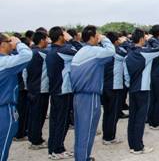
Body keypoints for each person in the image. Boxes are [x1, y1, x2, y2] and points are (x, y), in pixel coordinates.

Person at [70, 25, 115, 161]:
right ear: (92, 37)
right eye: (97, 36)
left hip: (78, 96)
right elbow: (111, 51)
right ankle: (83, 158)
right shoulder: (95, 51)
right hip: (90, 95)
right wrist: (105, 39)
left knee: (80, 130)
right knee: (88, 130)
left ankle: (82, 156)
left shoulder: (80, 52)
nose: (98, 38)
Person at [124, 29, 159, 154]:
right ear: (141, 39)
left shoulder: (128, 55)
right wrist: (152, 39)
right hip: (143, 88)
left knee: (132, 118)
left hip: (132, 89)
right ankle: (138, 147)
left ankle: (132, 145)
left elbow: (126, 76)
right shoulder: (144, 53)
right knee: (140, 119)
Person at [46, 27, 77, 160]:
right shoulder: (62, 50)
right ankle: (57, 149)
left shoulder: (51, 50)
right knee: (61, 121)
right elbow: (82, 51)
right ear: (60, 37)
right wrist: (72, 39)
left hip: (55, 90)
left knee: (55, 121)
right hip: (63, 90)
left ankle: (54, 148)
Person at [0, 34, 32, 161]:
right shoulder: (5, 62)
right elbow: (27, 55)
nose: (11, 44)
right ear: (2, 44)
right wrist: (18, 43)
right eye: (9, 42)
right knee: (2, 147)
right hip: (4, 109)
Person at [26, 31, 50, 150]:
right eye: (46, 39)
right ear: (41, 40)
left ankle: (33, 137)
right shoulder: (42, 53)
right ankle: (36, 141)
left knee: (33, 115)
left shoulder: (30, 52)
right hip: (41, 89)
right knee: (38, 116)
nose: (48, 41)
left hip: (31, 88)